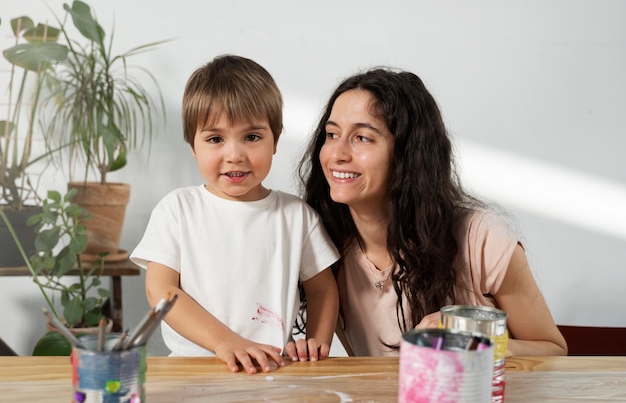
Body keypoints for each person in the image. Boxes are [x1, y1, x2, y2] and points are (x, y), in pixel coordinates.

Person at [297, 67, 567, 357]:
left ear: (407, 154)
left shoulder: (482, 238)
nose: (337, 153)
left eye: (363, 137)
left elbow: (552, 351)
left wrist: (474, 339)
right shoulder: (325, 249)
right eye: (332, 133)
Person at [131, 54, 340, 373]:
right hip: (193, 370)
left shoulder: (296, 216)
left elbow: (322, 288)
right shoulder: (178, 209)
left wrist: (316, 342)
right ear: (193, 146)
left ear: (275, 140)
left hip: (272, 370)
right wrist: (223, 341)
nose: (234, 155)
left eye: (252, 137)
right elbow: (160, 290)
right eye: (215, 139)